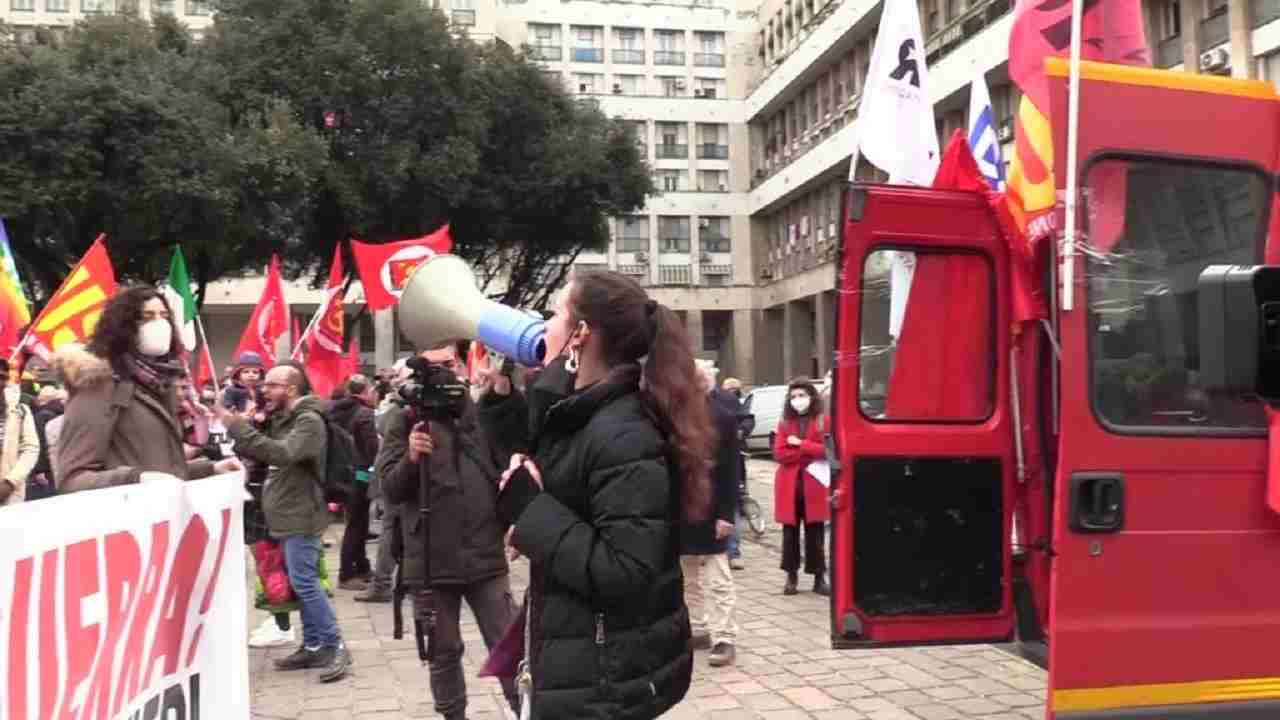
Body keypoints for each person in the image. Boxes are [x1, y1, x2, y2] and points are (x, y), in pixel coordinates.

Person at [497, 270, 712, 720]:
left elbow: (628, 571)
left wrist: (532, 512)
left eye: (556, 312)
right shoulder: (586, 415)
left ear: (580, 334)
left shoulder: (623, 435)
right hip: (587, 664)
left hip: (605, 680)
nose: (545, 322)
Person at [381, 344, 521, 720]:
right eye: (434, 366)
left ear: (461, 365)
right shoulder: (404, 418)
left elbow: (505, 466)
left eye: (449, 364)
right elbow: (389, 490)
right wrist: (411, 458)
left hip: (484, 555)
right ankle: (453, 715)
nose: (444, 372)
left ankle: (525, 709)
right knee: (444, 651)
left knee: (509, 644)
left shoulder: (475, 414)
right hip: (429, 559)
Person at [219, 361, 351, 683]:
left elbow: (283, 454)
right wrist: (252, 423)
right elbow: (261, 449)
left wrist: (239, 426)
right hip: (288, 511)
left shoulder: (308, 421)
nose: (264, 389)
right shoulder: (286, 417)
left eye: (271, 385)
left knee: (306, 582)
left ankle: (336, 645)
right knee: (299, 580)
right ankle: (314, 644)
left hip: (301, 513)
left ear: (290, 389)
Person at [56, 286, 240, 493]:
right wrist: (135, 479)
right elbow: (72, 479)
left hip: (160, 519)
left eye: (164, 316)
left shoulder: (161, 384)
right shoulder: (99, 384)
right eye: (147, 317)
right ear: (123, 326)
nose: (159, 324)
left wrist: (210, 469)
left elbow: (159, 469)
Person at [680, 363, 741, 667]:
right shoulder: (673, 415)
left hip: (714, 508)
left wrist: (727, 515)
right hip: (682, 510)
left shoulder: (724, 417)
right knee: (688, 576)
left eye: (699, 379)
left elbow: (732, 471)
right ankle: (699, 629)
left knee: (717, 577)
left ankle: (724, 636)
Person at [773, 378, 830, 596]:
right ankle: (791, 576)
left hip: (814, 485)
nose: (798, 400)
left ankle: (819, 577)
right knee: (790, 533)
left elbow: (828, 450)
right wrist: (807, 452)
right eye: (794, 396)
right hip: (790, 487)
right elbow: (779, 453)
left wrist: (800, 444)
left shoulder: (823, 420)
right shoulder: (785, 423)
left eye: (802, 395)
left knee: (815, 532)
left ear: (811, 397)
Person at [331, 374, 379, 590]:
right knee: (357, 524)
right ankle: (347, 573)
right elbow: (371, 448)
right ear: (364, 392)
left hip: (342, 472)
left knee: (357, 522)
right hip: (360, 473)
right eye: (372, 390)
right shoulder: (365, 413)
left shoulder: (334, 410)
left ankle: (361, 566)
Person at [0, 358, 42, 507]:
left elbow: (31, 449)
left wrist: (10, 483)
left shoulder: (20, 410)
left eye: (3, 377)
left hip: (10, 496)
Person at [26, 383, 63, 500]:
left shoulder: (41, 416)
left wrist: (39, 470)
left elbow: (40, 443)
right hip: (61, 464)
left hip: (47, 468)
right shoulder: (61, 413)